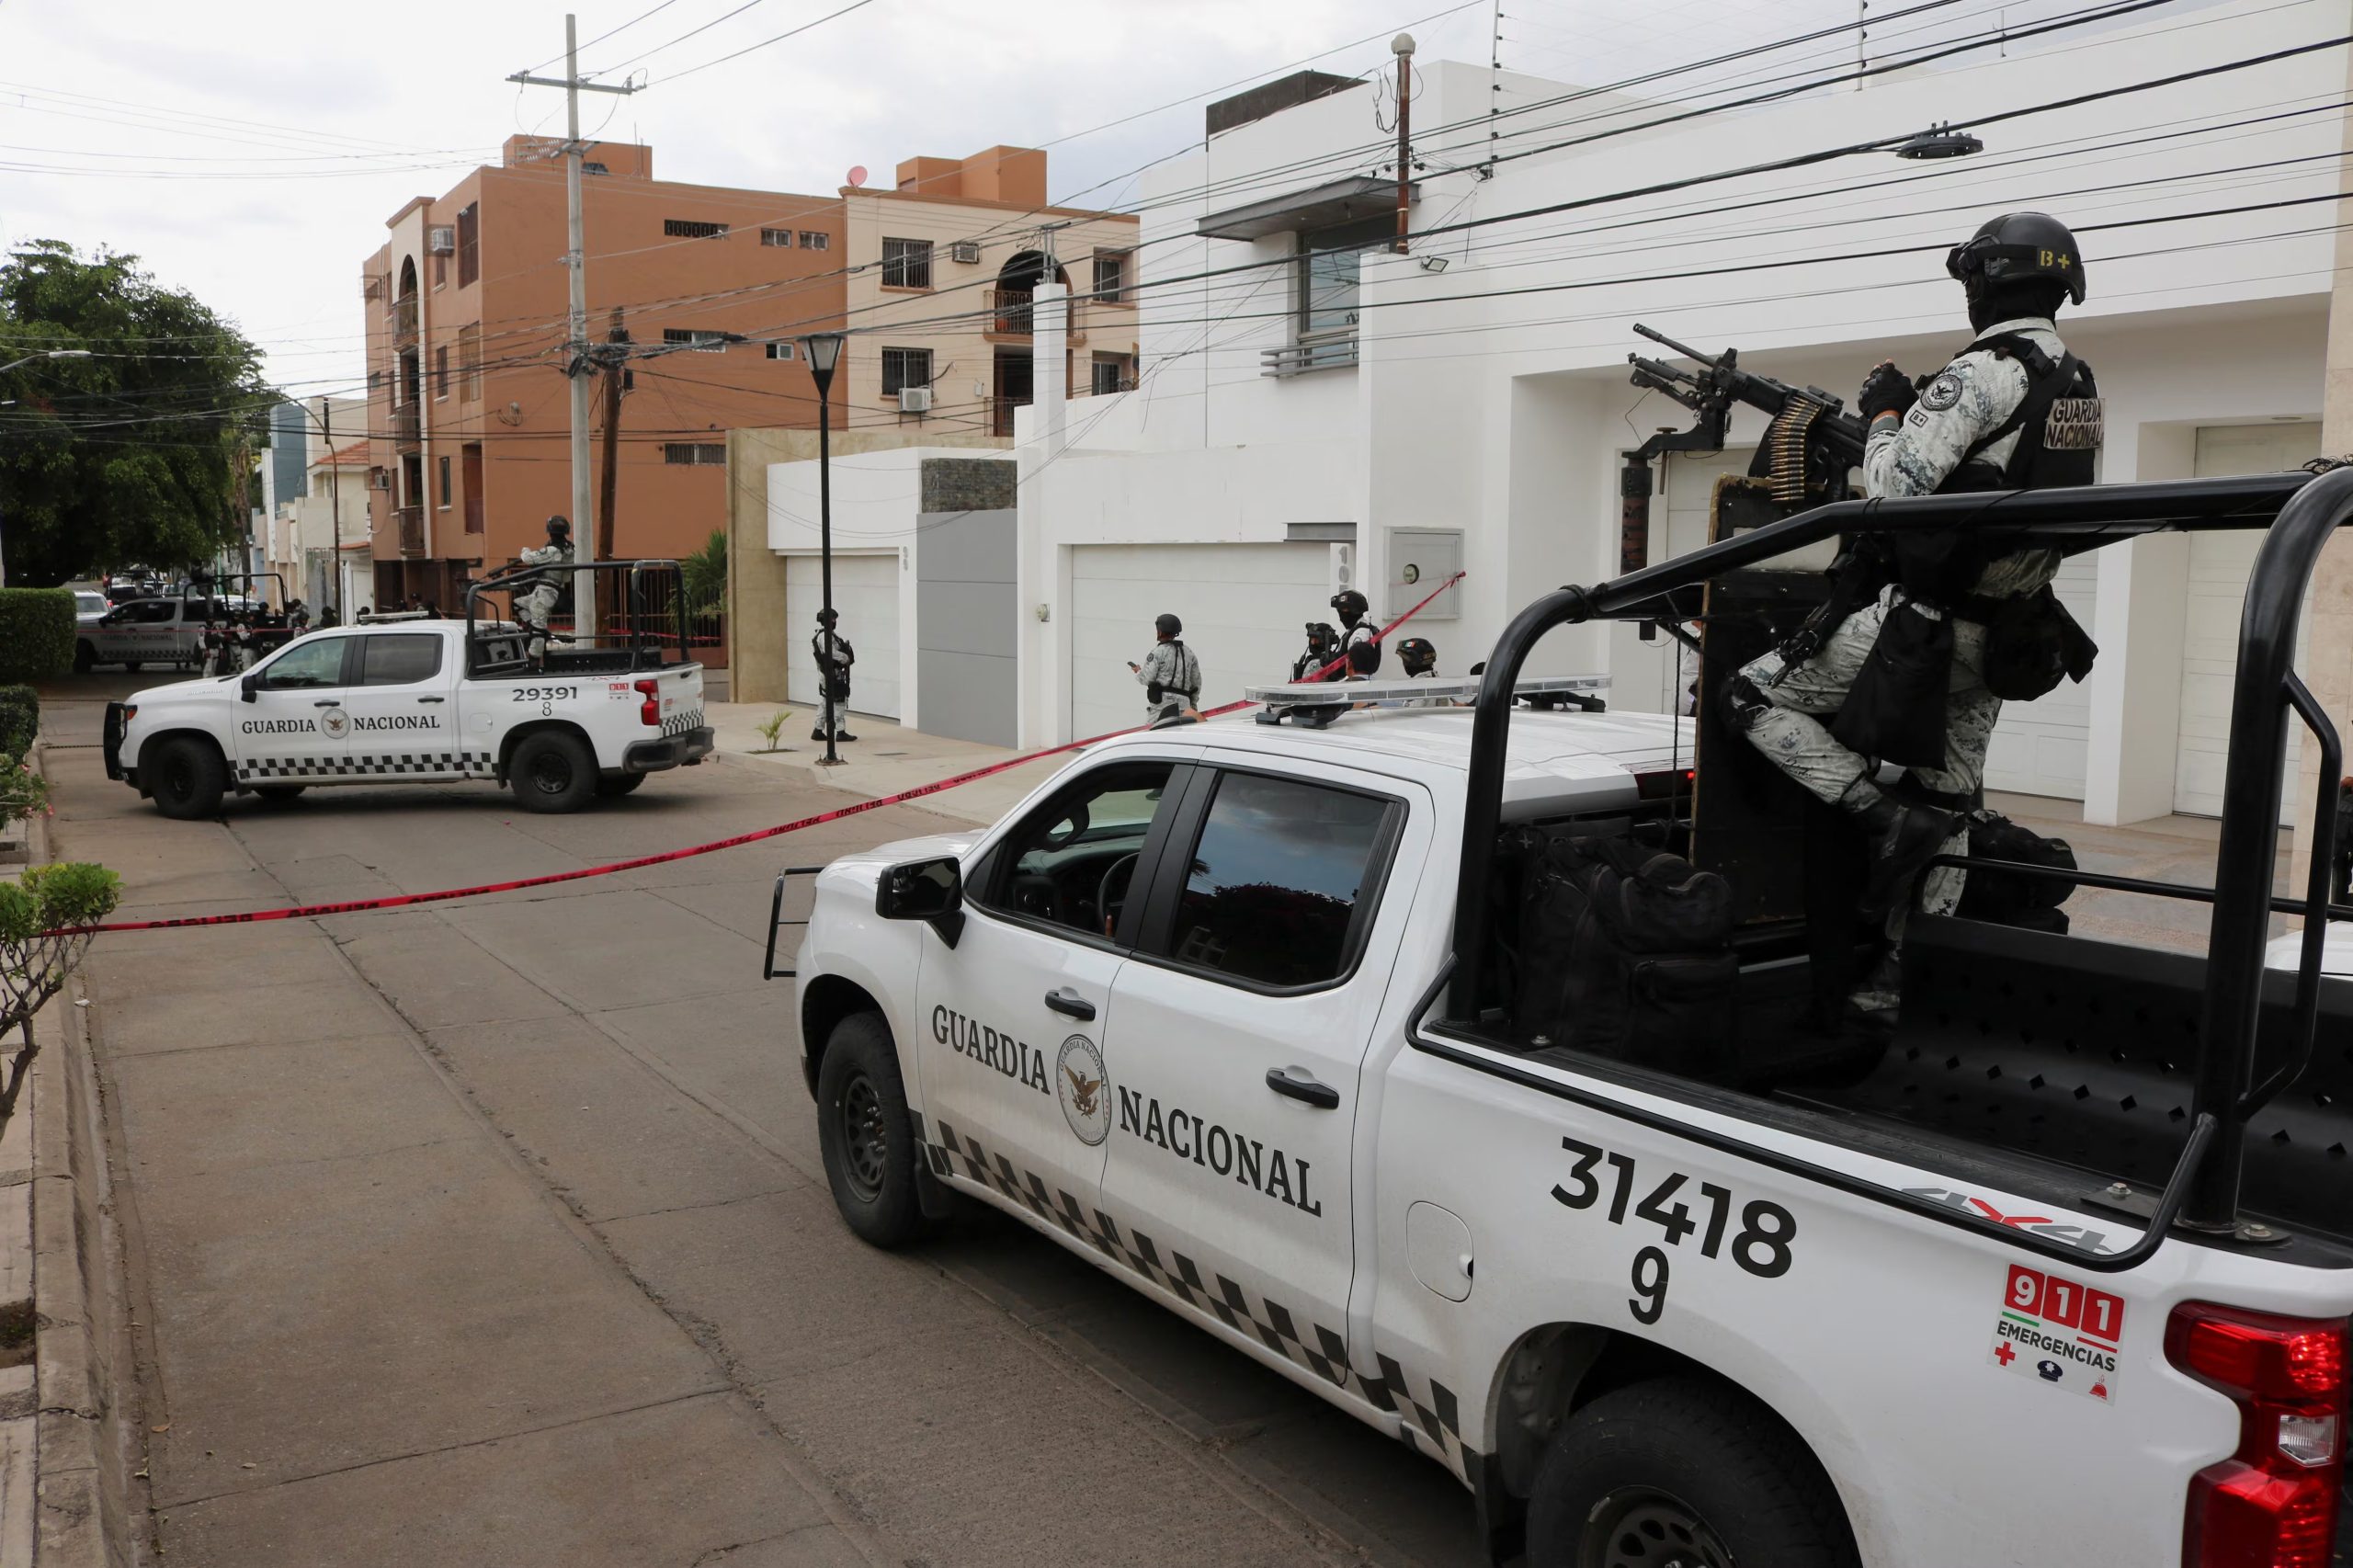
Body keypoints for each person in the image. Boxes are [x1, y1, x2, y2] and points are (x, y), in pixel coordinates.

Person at [1723, 210, 2101, 1017]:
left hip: (1930, 628)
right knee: (1953, 801)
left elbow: (1894, 490)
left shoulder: (1982, 373)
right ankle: (1906, 976)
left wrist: (1890, 412)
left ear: (1984, 284)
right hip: (2008, 630)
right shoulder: (2076, 382)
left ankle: (1879, 816)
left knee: (1750, 696)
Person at [516, 516, 574, 662]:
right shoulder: (569, 550)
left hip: (545, 593)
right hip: (549, 591)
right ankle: (538, 630)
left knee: (538, 629)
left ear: (549, 531)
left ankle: (533, 661)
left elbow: (528, 558)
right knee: (517, 604)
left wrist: (525, 550)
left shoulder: (553, 550)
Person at [1128, 613, 1201, 724]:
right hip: (1185, 709)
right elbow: (1196, 683)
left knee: (1153, 737)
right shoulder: (1189, 653)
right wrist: (1192, 706)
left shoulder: (1158, 652)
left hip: (1162, 709)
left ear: (1160, 631)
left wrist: (1138, 671)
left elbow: (1147, 678)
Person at [812, 608, 856, 743]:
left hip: (827, 674)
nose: (834, 621)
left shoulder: (824, 634)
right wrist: (846, 658)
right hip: (831, 675)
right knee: (839, 701)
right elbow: (831, 653)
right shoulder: (824, 636)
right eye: (833, 619)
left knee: (826, 702)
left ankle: (818, 730)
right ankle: (840, 732)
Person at [1330, 589, 1381, 679]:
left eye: (1343, 610)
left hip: (1355, 684)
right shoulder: (1352, 631)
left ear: (1353, 611)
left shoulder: (1361, 633)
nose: (1340, 616)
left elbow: (1358, 667)